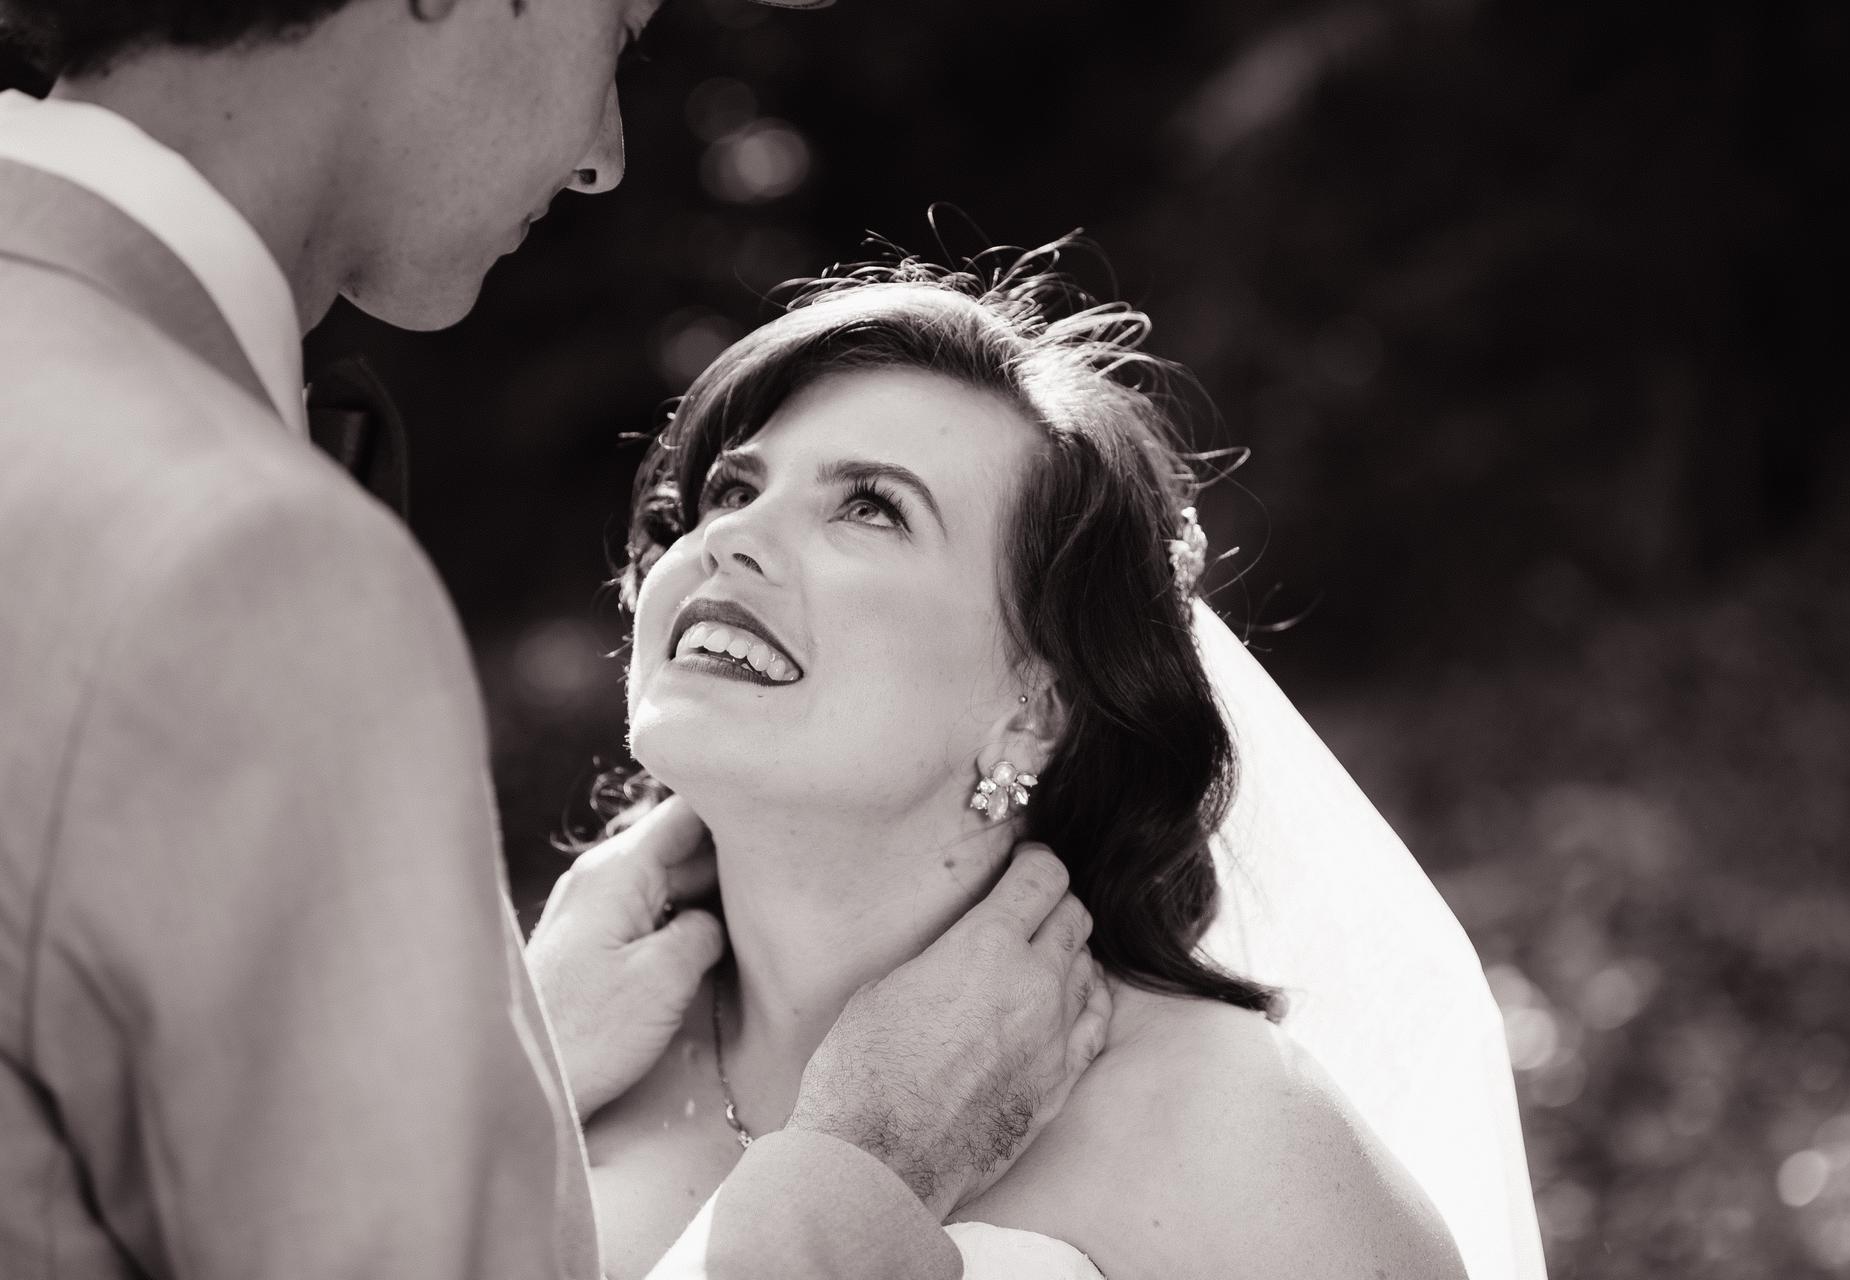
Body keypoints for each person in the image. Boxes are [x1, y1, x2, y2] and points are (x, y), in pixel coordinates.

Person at [0, 3, 1108, 1278]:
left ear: (1038, 698)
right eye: (618, 32)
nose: (604, 156)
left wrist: (486, 1072)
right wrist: (867, 1169)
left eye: (869, 507)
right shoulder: (243, 554)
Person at [582, 250, 1481, 1279]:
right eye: (732, 489)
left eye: (871, 506)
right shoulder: (551, 1062)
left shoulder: (1237, 1132)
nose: (730, 535)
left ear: (1036, 710)